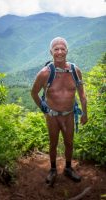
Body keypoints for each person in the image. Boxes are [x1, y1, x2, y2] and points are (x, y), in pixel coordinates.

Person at [31, 37, 88, 185]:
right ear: (51, 52)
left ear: (67, 51)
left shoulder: (75, 71)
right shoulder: (44, 73)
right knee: (53, 143)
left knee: (69, 143)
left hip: (69, 114)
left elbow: (82, 93)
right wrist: (45, 109)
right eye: (56, 49)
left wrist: (85, 112)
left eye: (63, 49)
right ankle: (53, 169)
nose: (60, 52)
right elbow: (34, 93)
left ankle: (68, 168)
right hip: (53, 116)